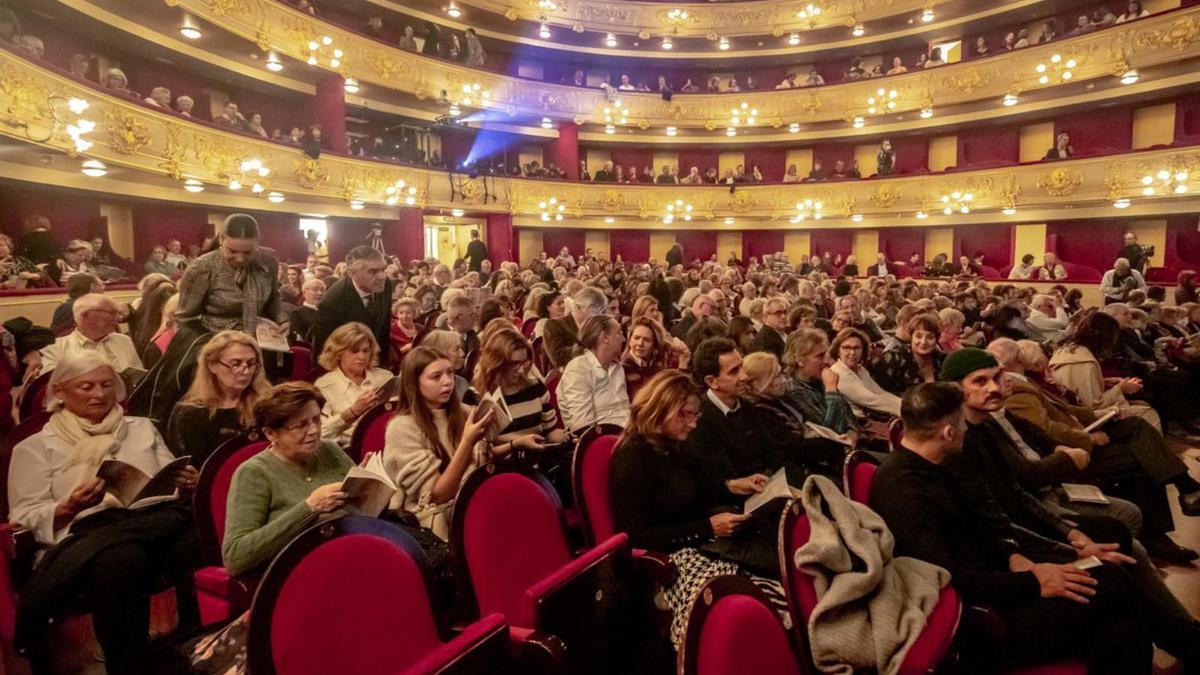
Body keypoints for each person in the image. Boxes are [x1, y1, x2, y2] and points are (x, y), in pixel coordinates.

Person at [871, 382, 1200, 675]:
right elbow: (950, 578)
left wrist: (1014, 556)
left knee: (1125, 632)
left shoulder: (931, 464)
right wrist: (1033, 581)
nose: (966, 429)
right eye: (961, 423)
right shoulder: (905, 490)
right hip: (978, 623)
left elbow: (979, 528)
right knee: (1110, 580)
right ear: (948, 432)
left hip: (1001, 584)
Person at [9, 353, 200, 673]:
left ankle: (195, 644)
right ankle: (127, 664)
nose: (98, 394)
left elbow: (168, 478)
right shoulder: (34, 447)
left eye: (106, 385)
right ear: (60, 392)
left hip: (153, 521)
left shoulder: (140, 428)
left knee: (199, 539)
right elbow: (23, 515)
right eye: (86, 386)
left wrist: (185, 482)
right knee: (122, 559)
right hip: (89, 534)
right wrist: (69, 506)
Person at [610, 369, 773, 646]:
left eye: (695, 415)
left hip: (699, 541)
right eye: (685, 415)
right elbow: (634, 535)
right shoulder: (633, 457)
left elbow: (698, 490)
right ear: (660, 410)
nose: (693, 423)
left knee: (772, 558)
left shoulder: (672, 445)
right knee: (751, 596)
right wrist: (707, 526)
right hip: (669, 561)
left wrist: (735, 485)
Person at [222, 382, 354, 577]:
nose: (314, 431)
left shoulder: (330, 450)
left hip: (352, 548)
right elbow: (236, 557)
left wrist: (369, 484)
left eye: (316, 420)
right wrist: (309, 507)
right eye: (300, 425)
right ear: (270, 433)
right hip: (300, 572)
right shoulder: (254, 473)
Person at [383, 346, 509, 538]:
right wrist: (467, 442)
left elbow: (481, 471)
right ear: (415, 383)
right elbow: (438, 496)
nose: (448, 382)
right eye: (436, 377)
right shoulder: (402, 428)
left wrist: (506, 445)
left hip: (473, 498)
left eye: (450, 373)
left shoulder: (465, 412)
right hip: (435, 518)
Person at [167, 330, 270, 466]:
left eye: (251, 364)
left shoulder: (269, 406)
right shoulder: (187, 413)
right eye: (236, 364)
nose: (246, 371)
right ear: (212, 365)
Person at [1048, 312, 1161, 431]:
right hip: (1087, 419)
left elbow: (1077, 383)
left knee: (1142, 404)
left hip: (1074, 410)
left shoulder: (1068, 350)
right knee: (1147, 413)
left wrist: (1104, 381)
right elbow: (1093, 405)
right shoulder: (1085, 363)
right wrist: (1121, 388)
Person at [315, 322, 393, 448]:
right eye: (354, 351)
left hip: (389, 446)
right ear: (339, 353)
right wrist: (351, 413)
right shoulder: (324, 386)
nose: (361, 357)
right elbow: (319, 434)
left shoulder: (386, 378)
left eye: (366, 351)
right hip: (350, 451)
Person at [313, 245, 393, 360]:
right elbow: (325, 350)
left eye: (383, 269)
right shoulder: (333, 301)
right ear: (352, 273)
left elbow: (384, 329)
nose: (382, 277)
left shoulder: (386, 285)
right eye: (373, 271)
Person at [37, 294, 141, 377]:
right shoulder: (55, 349)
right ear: (86, 316)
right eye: (112, 313)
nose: (118, 318)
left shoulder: (124, 341)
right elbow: (51, 391)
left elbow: (140, 379)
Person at [558, 315, 629, 433]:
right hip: (601, 440)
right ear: (605, 337)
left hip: (628, 434)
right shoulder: (578, 369)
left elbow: (624, 410)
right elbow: (583, 426)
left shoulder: (617, 368)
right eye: (619, 333)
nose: (623, 339)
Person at [829, 327, 900, 418]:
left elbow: (881, 393)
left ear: (863, 350)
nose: (852, 353)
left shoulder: (860, 369)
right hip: (857, 424)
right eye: (846, 348)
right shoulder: (838, 372)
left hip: (872, 417)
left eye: (857, 348)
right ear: (838, 351)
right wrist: (906, 410)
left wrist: (908, 405)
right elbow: (871, 400)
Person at [872, 314, 945, 394]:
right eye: (918, 336)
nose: (924, 342)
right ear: (911, 337)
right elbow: (877, 390)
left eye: (930, 337)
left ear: (936, 340)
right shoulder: (894, 357)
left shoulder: (942, 359)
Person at [543, 286, 606, 368]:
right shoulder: (554, 325)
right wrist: (587, 342)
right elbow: (558, 358)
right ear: (578, 307)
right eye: (595, 310)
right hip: (569, 375)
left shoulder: (600, 326)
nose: (599, 315)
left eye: (601, 311)